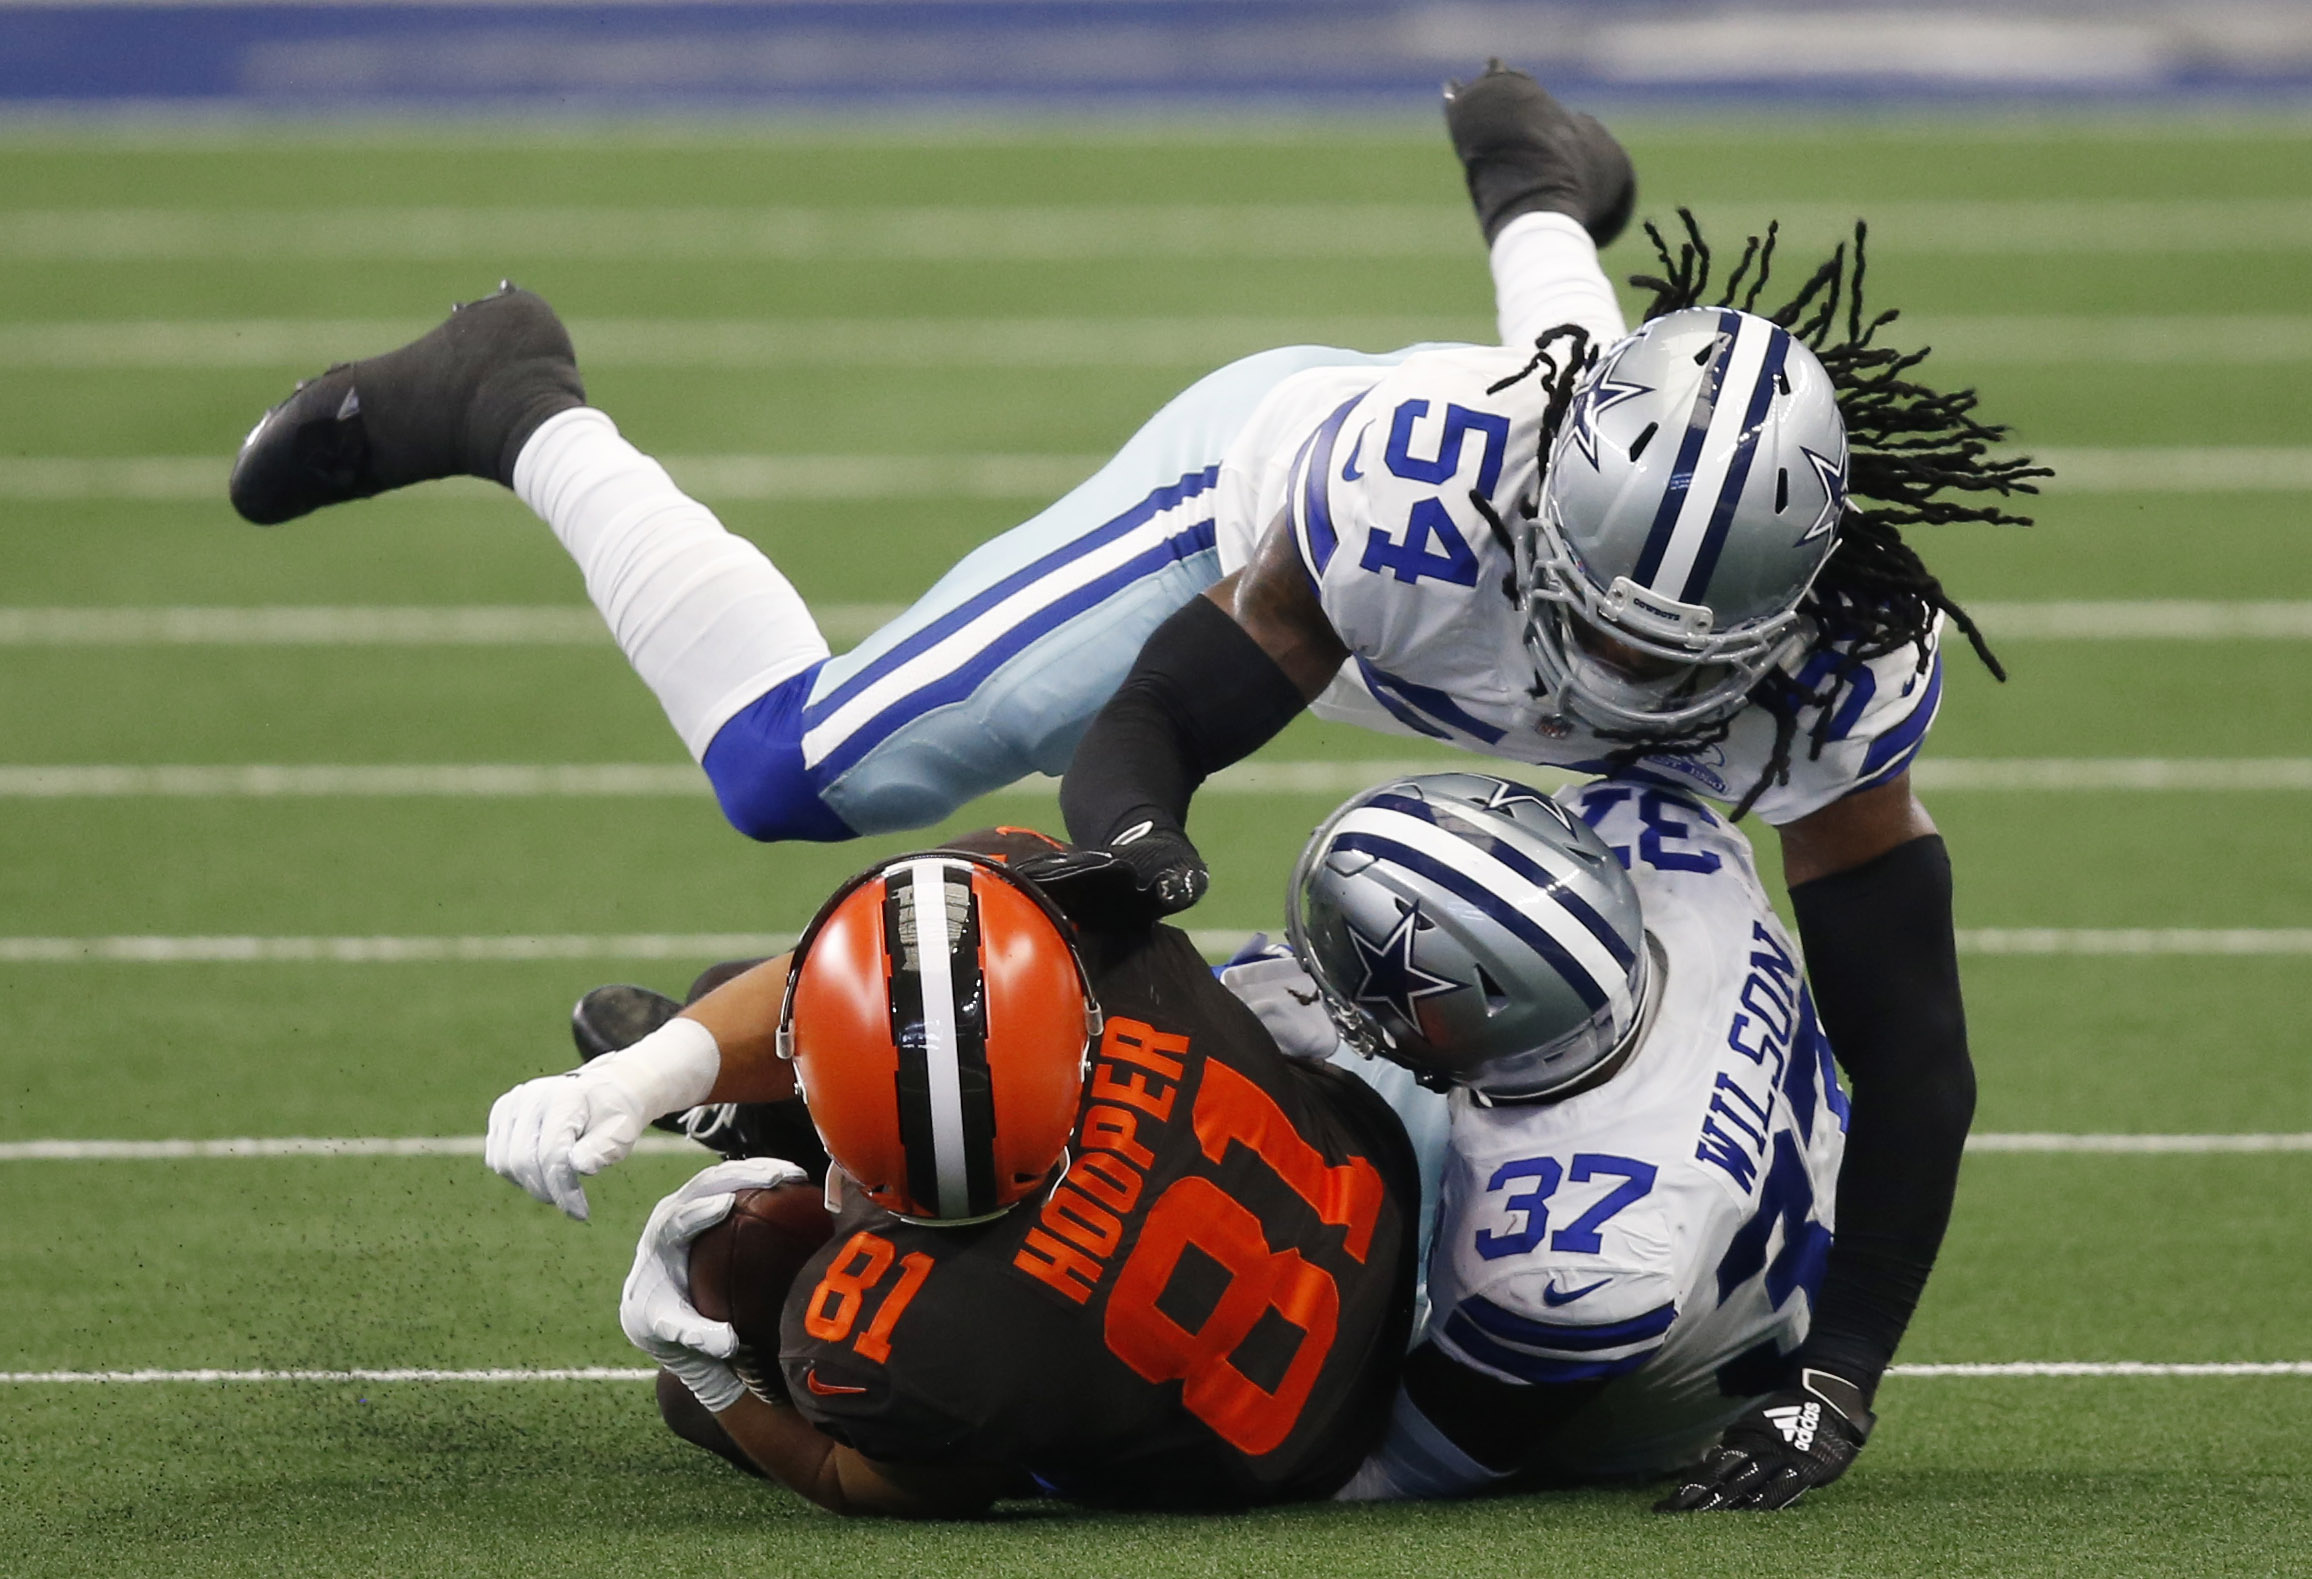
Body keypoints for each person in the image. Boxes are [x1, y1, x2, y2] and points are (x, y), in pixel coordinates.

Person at [231, 65, 2037, 1507]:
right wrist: (1128, 858)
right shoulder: (1410, 503)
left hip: (1555, 482)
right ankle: (514, 395)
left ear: (1791, 612)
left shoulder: (1841, 654)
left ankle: (1537, 183)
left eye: (1674, 660)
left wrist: (1837, 1373)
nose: (1618, 690)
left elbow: (1915, 1041)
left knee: (1430, 1001)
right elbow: (1162, 718)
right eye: (1600, 624)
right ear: (1541, 505)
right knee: (792, 770)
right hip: (1239, 514)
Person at [503, 828, 1420, 1515]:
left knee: (708, 1352)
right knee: (765, 1000)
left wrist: (708, 1382)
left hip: (1253, 1462)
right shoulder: (1118, 959)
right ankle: (748, 1106)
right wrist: (645, 1071)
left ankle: (760, 1117)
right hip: (1366, 1195)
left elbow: (856, 1476)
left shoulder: (909, 1339)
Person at [1216, 772, 1851, 1506]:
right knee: (1265, 1008)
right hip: (1756, 1242)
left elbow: (1388, 1462)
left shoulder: (1570, 1267)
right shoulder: (1677, 855)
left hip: (1622, 1416)